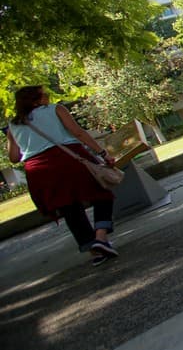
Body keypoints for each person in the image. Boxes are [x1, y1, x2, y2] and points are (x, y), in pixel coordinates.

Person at [5, 86, 119, 266]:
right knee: (101, 192)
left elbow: (13, 157)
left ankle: (95, 251)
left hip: (38, 171)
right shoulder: (56, 109)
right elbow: (78, 132)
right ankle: (100, 237)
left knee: (69, 208)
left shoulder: (14, 124)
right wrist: (102, 153)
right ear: (36, 100)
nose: (48, 97)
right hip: (68, 159)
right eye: (45, 94)